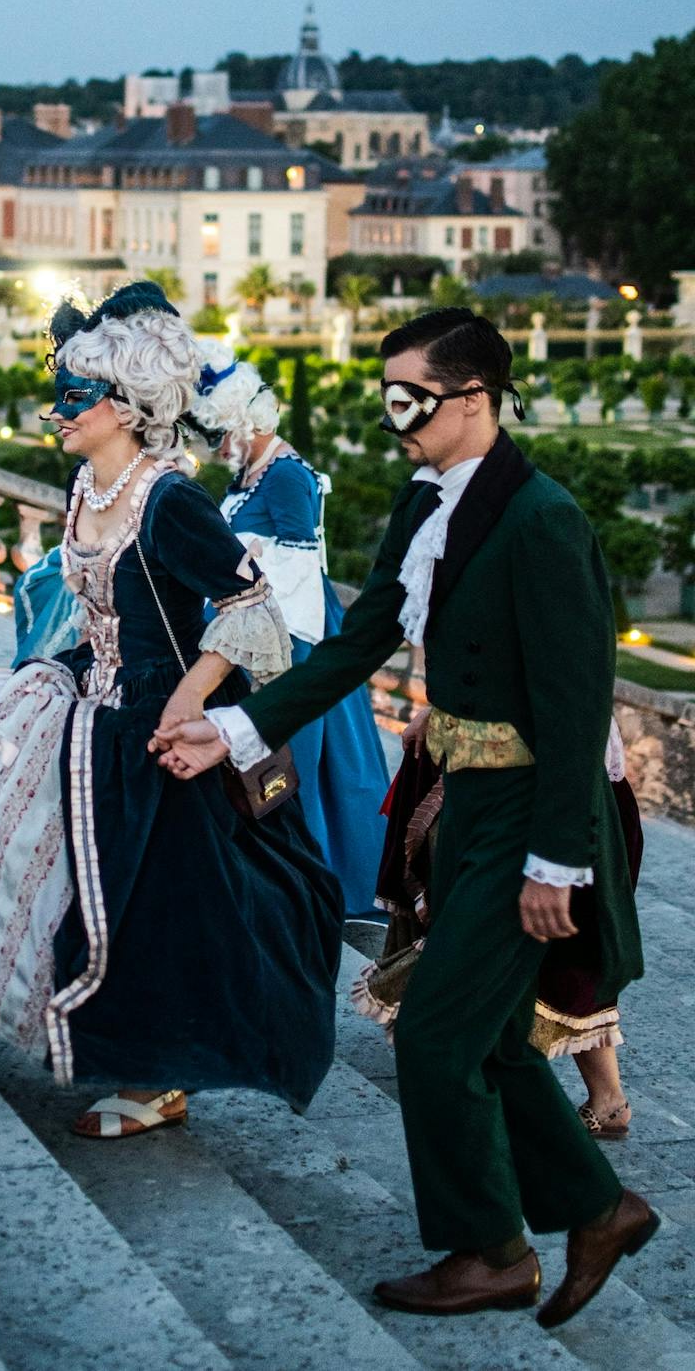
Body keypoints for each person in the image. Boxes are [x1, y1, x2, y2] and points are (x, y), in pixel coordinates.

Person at [154, 308, 655, 1325]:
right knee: (492, 1038)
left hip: (532, 818)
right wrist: (238, 730)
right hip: (462, 805)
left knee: (434, 1034)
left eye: (409, 400)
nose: (396, 422)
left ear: (473, 398)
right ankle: (595, 1210)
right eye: (388, 400)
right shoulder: (423, 502)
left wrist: (558, 865)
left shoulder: (543, 519)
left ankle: (495, 1250)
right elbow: (353, 646)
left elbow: (573, 705)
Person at [0, 283, 343, 1139]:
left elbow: (253, 606)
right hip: (98, 706)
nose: (57, 411)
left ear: (125, 407)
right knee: (96, 884)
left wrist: (189, 704)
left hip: (164, 724)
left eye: (76, 397)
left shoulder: (170, 501)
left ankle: (158, 1079)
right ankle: (109, 1041)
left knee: (161, 902)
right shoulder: (88, 482)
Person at [358, 708, 644, 1139]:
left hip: (532, 778)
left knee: (538, 949)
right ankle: (597, 1099)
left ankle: (584, 1105)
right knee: (497, 942)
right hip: (481, 759)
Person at [184, 345, 389, 916]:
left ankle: (300, 875)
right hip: (255, 618)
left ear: (243, 424)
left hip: (292, 631)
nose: (215, 449)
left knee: (289, 755)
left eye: (219, 435)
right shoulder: (252, 474)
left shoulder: (286, 476)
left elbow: (300, 563)